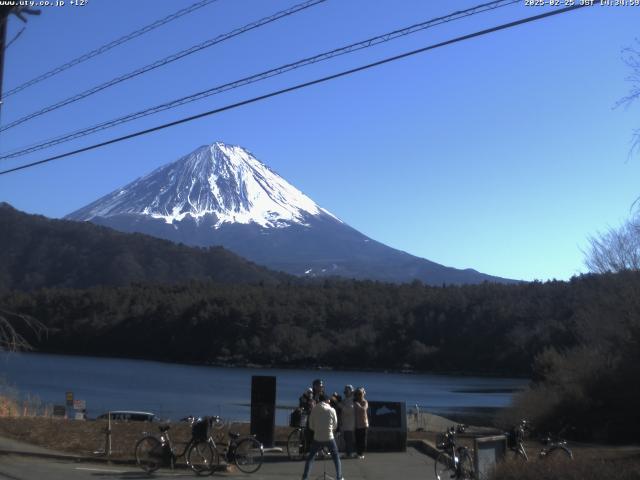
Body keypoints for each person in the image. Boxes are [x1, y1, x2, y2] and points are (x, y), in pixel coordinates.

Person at [301, 394, 344, 480]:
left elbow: (311, 425)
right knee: (335, 457)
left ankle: (305, 478)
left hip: (317, 437)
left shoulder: (314, 409)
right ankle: (339, 477)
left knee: (311, 458)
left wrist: (317, 429)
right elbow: (335, 425)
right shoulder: (332, 410)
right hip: (329, 437)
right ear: (327, 400)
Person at [338, 385, 356, 458]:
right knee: (346, 438)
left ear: (351, 392)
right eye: (345, 391)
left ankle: (350, 453)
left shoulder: (352, 400)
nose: (345, 392)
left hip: (350, 423)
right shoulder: (346, 399)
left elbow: (348, 411)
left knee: (349, 439)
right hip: (345, 423)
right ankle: (348, 452)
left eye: (347, 391)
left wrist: (339, 404)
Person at [353, 387, 369, 459]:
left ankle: (361, 453)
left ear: (363, 394)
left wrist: (357, 404)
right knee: (357, 439)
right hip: (356, 424)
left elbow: (363, 409)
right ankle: (357, 453)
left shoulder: (364, 402)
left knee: (362, 440)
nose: (358, 395)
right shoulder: (355, 402)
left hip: (363, 424)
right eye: (357, 394)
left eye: (360, 394)